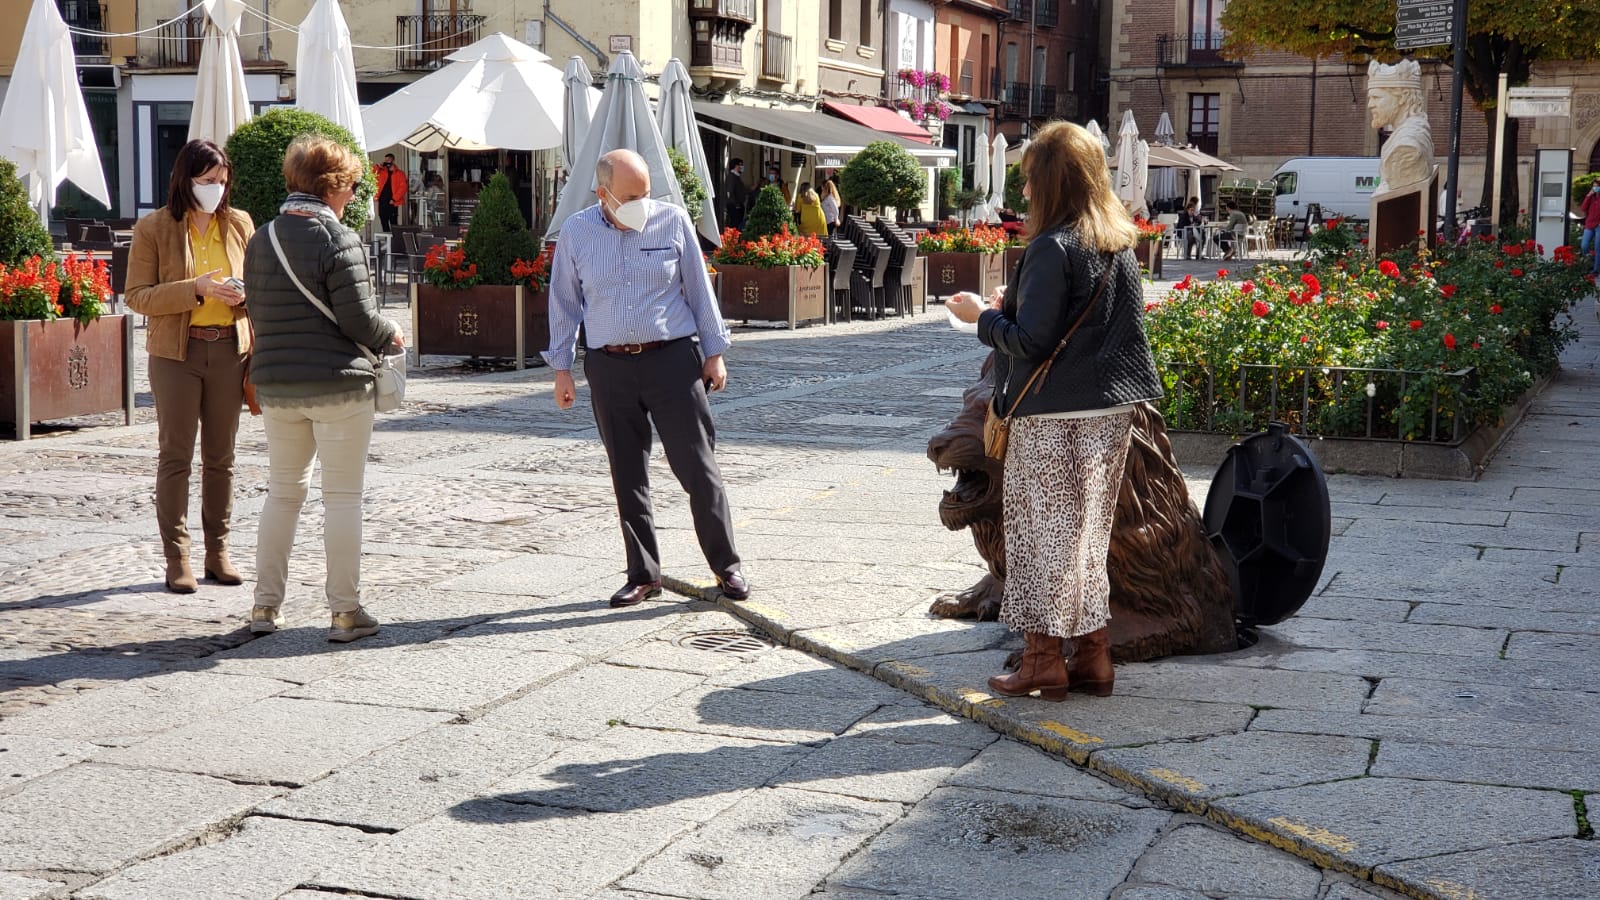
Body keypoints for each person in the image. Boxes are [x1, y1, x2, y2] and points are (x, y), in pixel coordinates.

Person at [945, 121, 1163, 701]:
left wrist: (982, 318)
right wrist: (1011, 308)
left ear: (1049, 182)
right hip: (1110, 411)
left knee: (1041, 535)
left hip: (1051, 416)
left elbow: (1033, 341)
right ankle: (1093, 654)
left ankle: (1043, 659)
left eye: (1028, 180)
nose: (1023, 192)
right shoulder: (1117, 243)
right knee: (1085, 536)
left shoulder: (1051, 246)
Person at [543, 148, 749, 609]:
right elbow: (564, 303)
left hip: (671, 360)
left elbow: (699, 289)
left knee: (698, 467)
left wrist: (714, 354)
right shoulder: (576, 233)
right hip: (608, 365)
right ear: (603, 194)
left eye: (646, 192)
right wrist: (562, 369)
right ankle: (643, 574)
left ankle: (727, 566)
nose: (642, 202)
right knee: (627, 472)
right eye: (631, 195)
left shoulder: (671, 221)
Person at [243, 136, 403, 643]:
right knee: (342, 498)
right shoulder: (339, 239)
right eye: (354, 184)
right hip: (338, 384)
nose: (354, 194)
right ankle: (344, 612)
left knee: (283, 494)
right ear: (334, 186)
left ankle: (265, 607)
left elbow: (256, 311)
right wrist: (391, 333)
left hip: (277, 384)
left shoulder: (261, 238)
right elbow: (358, 318)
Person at [125, 139, 254, 594]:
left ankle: (218, 550)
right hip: (176, 354)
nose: (215, 190)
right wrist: (194, 289)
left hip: (229, 350)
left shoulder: (239, 223)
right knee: (175, 456)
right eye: (206, 181)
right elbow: (137, 296)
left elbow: (259, 283)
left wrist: (244, 294)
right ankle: (176, 557)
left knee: (222, 459)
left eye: (221, 181)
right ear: (185, 179)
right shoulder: (155, 227)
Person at [372, 153, 408, 233]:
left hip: (392, 200)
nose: (387, 162)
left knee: (393, 221)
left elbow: (403, 188)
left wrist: (394, 198)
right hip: (382, 199)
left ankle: (395, 239)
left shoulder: (399, 173)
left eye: (388, 160)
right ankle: (387, 238)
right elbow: (372, 174)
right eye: (385, 160)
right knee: (383, 219)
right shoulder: (381, 171)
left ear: (393, 160)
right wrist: (378, 166)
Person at [722, 157, 750, 230]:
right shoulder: (732, 176)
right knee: (735, 224)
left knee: (737, 224)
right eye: (740, 165)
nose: (742, 167)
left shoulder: (736, 177)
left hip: (738, 205)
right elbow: (729, 192)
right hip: (734, 206)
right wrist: (736, 204)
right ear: (735, 166)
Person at [1580, 182, 1600, 257]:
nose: (1595, 188)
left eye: (1597, 186)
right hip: (1589, 224)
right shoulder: (1591, 197)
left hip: (1598, 225)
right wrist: (1588, 196)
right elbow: (1583, 208)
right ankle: (1589, 258)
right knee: (1584, 245)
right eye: (1594, 186)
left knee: (1597, 248)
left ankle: (1595, 268)